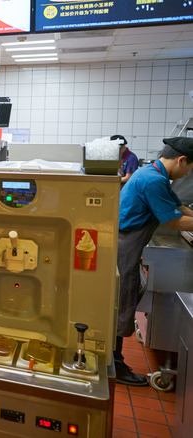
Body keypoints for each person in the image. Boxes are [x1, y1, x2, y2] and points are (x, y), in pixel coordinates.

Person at [116, 136, 193, 386]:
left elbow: (177, 207)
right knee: (121, 304)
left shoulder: (152, 172)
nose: (189, 172)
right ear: (182, 160)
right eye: (190, 167)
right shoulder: (153, 179)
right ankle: (114, 365)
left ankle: (113, 361)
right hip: (123, 247)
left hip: (127, 244)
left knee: (123, 301)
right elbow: (174, 222)